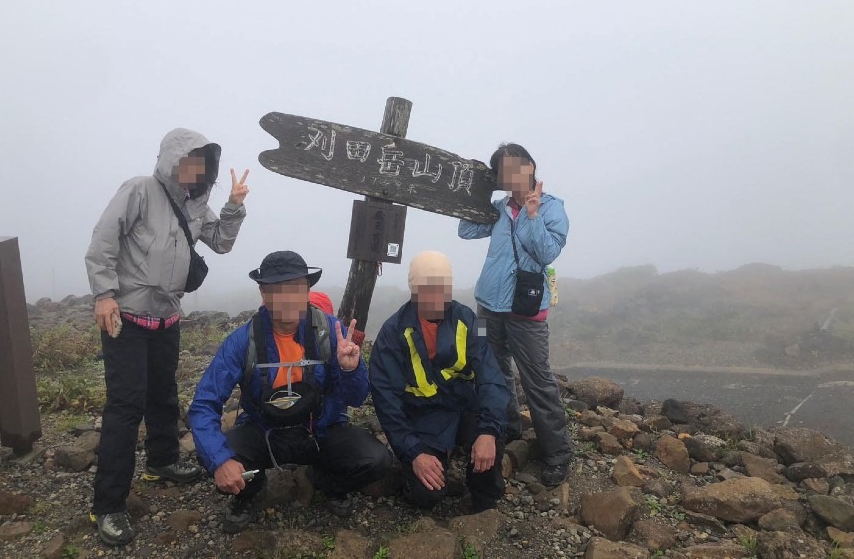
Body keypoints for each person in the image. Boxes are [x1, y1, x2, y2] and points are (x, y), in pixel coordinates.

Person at [84, 128, 249, 546]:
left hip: (166, 320)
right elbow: (103, 240)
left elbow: (221, 243)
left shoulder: (197, 205)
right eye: (190, 161)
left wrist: (233, 206)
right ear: (173, 161)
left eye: (203, 165)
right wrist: (104, 295)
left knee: (163, 395)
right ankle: (108, 506)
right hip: (126, 318)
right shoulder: (140, 189)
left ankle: (162, 462)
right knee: (125, 407)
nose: (196, 171)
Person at [187, 251, 391, 532]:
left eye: (296, 288)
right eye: (277, 290)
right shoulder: (242, 341)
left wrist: (350, 370)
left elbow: (356, 398)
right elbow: (203, 405)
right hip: (263, 432)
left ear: (307, 290)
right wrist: (220, 461)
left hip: (319, 430)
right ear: (263, 293)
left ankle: (325, 480)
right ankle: (252, 488)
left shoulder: (330, 332)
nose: (288, 298)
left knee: (376, 460)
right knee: (213, 457)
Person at [458, 143, 574, 486]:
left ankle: (556, 452)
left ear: (531, 166)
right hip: (486, 307)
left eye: (514, 168)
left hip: (527, 312)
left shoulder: (552, 209)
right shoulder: (499, 208)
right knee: (491, 369)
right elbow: (465, 230)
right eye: (502, 172)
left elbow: (546, 253)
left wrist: (532, 215)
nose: (509, 177)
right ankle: (507, 427)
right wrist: (479, 194)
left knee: (537, 380)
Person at [369, 251, 509, 512]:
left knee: (491, 444)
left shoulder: (471, 320)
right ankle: (413, 476)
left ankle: (482, 499)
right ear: (413, 291)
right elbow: (386, 400)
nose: (436, 298)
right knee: (428, 495)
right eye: (427, 289)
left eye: (443, 288)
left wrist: (488, 431)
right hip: (423, 417)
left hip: (464, 406)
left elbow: (491, 376)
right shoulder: (392, 333)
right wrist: (414, 453)